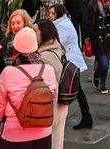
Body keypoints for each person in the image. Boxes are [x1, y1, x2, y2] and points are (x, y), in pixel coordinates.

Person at [0, 27, 58, 148]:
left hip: (15, 133)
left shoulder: (8, 72)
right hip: (43, 132)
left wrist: (8, 118)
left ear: (16, 49)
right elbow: (53, 99)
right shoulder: (48, 70)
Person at [48, 4, 91, 130]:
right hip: (69, 63)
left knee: (74, 91)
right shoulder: (60, 24)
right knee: (77, 91)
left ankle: (86, 117)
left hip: (71, 63)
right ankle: (86, 117)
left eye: (52, 13)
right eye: (50, 13)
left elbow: (57, 44)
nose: (50, 15)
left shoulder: (64, 26)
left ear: (58, 14)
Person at [35, 20, 70, 148]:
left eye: (36, 30)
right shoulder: (58, 48)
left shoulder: (45, 57)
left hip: (52, 107)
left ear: (44, 33)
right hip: (61, 105)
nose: (34, 33)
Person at [84, 0, 110, 95]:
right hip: (97, 39)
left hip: (108, 37)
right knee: (103, 63)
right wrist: (91, 37)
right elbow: (87, 24)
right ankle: (97, 75)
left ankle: (102, 83)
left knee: (106, 63)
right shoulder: (92, 6)